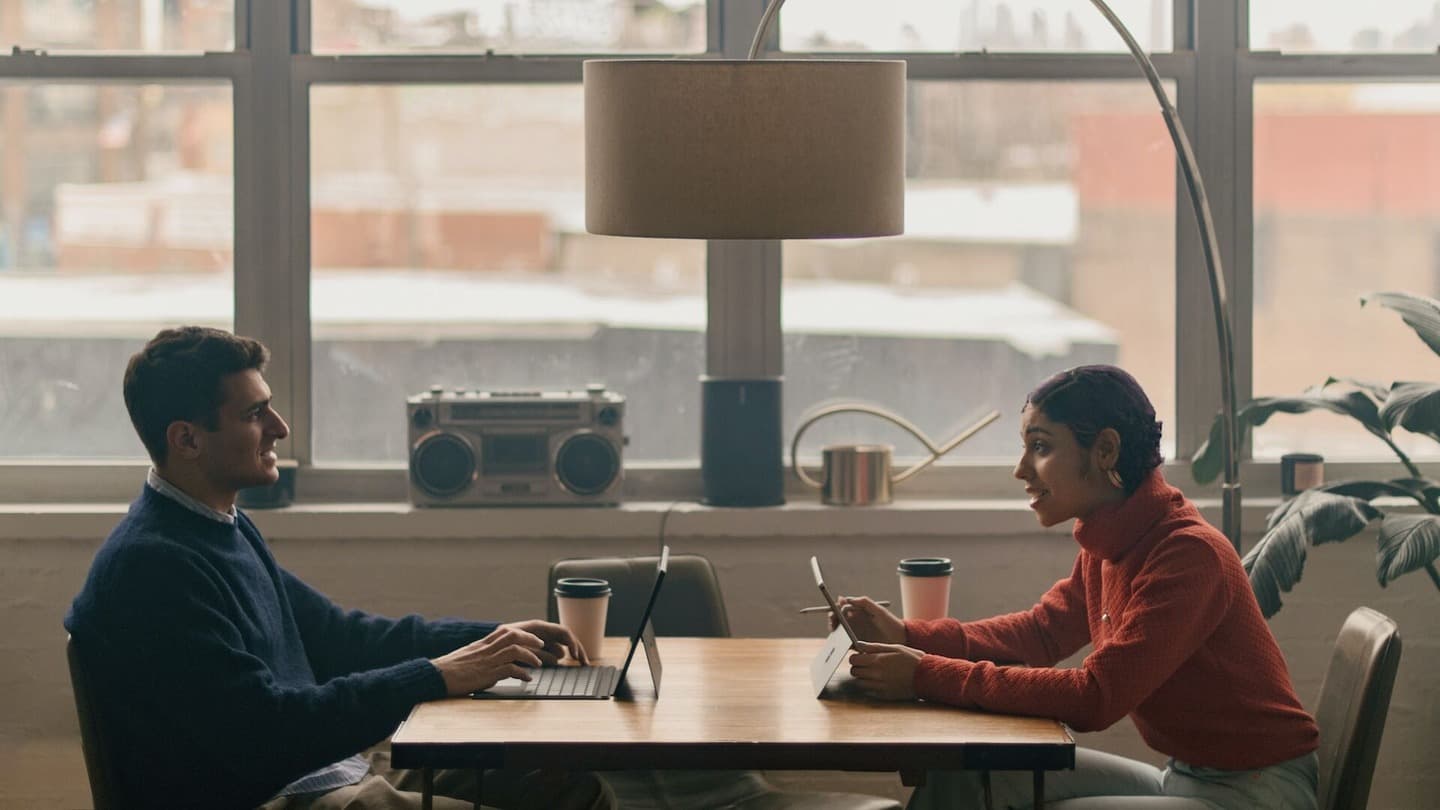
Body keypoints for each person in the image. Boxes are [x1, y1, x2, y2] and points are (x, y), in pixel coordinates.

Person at [65, 326, 615, 810]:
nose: (279, 428)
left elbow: (340, 636)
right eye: (255, 414)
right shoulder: (152, 567)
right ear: (186, 439)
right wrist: (440, 675)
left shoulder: (219, 526)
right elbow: (268, 729)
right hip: (270, 796)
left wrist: (495, 642)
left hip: (320, 776)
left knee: (568, 786)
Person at [836, 365, 1320, 810]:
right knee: (959, 776)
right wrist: (908, 635)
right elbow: (1041, 634)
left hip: (1256, 793)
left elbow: (1095, 696)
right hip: (1184, 779)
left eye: (1041, 447)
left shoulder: (1188, 555)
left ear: (1105, 450)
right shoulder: (1110, 537)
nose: (1020, 469)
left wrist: (925, 674)